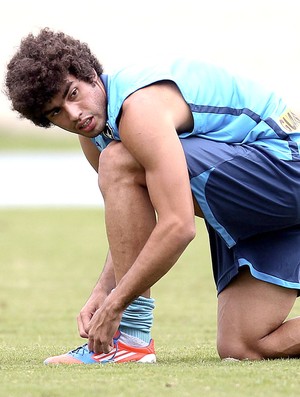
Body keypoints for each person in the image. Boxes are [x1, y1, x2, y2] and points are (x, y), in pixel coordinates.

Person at [5, 28, 300, 365]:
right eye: (55, 113)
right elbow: (131, 222)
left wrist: (118, 304)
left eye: (73, 93)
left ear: (90, 73)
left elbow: (178, 225)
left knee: (118, 159)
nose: (72, 115)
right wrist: (102, 290)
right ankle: (129, 341)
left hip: (287, 168)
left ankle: (131, 341)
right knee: (243, 344)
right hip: (261, 206)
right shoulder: (94, 133)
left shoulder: (137, 107)